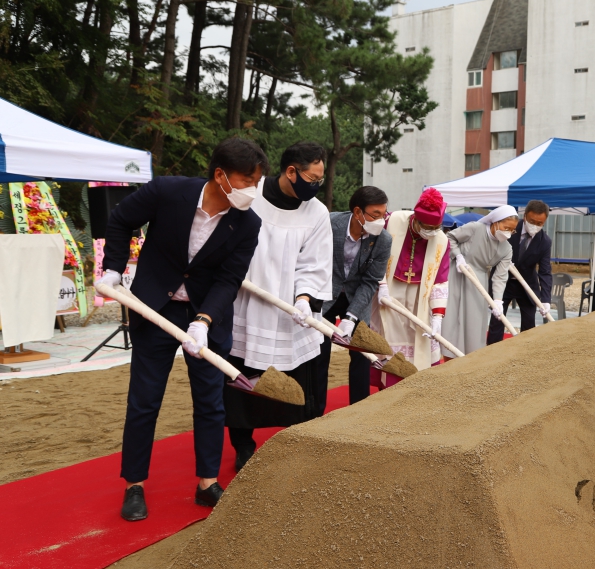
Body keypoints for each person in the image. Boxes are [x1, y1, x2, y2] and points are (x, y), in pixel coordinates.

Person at [99, 137, 266, 521]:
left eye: (257, 181)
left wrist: (204, 321)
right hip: (154, 308)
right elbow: (121, 219)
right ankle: (134, 485)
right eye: (247, 180)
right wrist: (113, 268)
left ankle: (207, 483)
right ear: (221, 175)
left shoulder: (248, 223)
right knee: (144, 400)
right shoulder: (168, 191)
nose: (253, 190)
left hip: (205, 316)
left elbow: (229, 278)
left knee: (210, 402)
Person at [223, 142, 333, 471]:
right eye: (312, 179)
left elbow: (314, 264)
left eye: (320, 180)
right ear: (291, 171)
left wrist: (304, 299)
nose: (317, 186)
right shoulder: (251, 196)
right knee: (243, 380)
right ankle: (243, 446)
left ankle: (294, 441)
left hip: (290, 310)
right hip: (246, 303)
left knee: (296, 382)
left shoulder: (317, 213)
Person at [315, 185, 392, 407]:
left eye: (384, 214)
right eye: (375, 215)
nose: (381, 221)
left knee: (362, 355)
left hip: (357, 296)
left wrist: (351, 317)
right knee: (318, 353)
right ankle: (314, 411)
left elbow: (370, 281)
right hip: (325, 293)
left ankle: (358, 409)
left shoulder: (383, 240)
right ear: (358, 212)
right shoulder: (330, 224)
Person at [370, 187, 450, 387]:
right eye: (428, 227)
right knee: (387, 338)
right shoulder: (392, 221)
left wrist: (437, 316)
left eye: (437, 227)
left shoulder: (442, 240)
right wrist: (381, 284)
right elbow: (374, 254)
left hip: (419, 299)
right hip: (388, 292)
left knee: (418, 343)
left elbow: (440, 279)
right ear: (416, 219)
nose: (432, 232)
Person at [443, 205, 517, 356]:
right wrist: (458, 256)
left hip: (479, 282)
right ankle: (449, 356)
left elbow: (500, 276)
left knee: (474, 322)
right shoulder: (475, 228)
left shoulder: (507, 249)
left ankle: (471, 358)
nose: (508, 233)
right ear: (495, 222)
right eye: (506, 227)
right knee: (452, 317)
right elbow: (449, 237)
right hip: (458, 274)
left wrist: (498, 300)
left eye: (512, 230)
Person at [486, 200, 552, 344]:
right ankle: (492, 351)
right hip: (503, 282)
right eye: (532, 221)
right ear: (525, 216)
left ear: (545, 221)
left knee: (529, 325)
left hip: (527, 285)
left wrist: (546, 299)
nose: (535, 225)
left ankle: (525, 353)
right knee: (497, 320)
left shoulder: (545, 242)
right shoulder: (510, 228)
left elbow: (545, 271)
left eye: (539, 223)